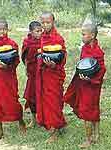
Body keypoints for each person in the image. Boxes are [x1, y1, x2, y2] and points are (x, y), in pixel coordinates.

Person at [63, 19, 106, 148]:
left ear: (92, 35)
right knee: (92, 109)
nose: (81, 36)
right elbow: (82, 65)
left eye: (83, 34)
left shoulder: (98, 52)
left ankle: (89, 139)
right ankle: (96, 134)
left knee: (89, 111)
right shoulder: (85, 48)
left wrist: (91, 80)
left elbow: (102, 69)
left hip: (92, 86)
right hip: (83, 84)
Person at [36, 11, 67, 143]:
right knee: (47, 100)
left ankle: (54, 131)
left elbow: (63, 56)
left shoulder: (58, 38)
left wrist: (55, 65)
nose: (45, 25)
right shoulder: (42, 37)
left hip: (55, 74)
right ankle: (56, 124)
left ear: (53, 22)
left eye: (48, 22)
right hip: (44, 73)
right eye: (43, 22)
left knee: (54, 100)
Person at [21, 21, 42, 127]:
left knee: (42, 95)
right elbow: (23, 57)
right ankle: (33, 119)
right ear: (31, 32)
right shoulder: (27, 42)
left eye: (40, 31)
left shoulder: (44, 41)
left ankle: (42, 118)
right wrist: (26, 68)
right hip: (32, 72)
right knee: (32, 96)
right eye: (37, 31)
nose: (40, 33)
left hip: (42, 72)